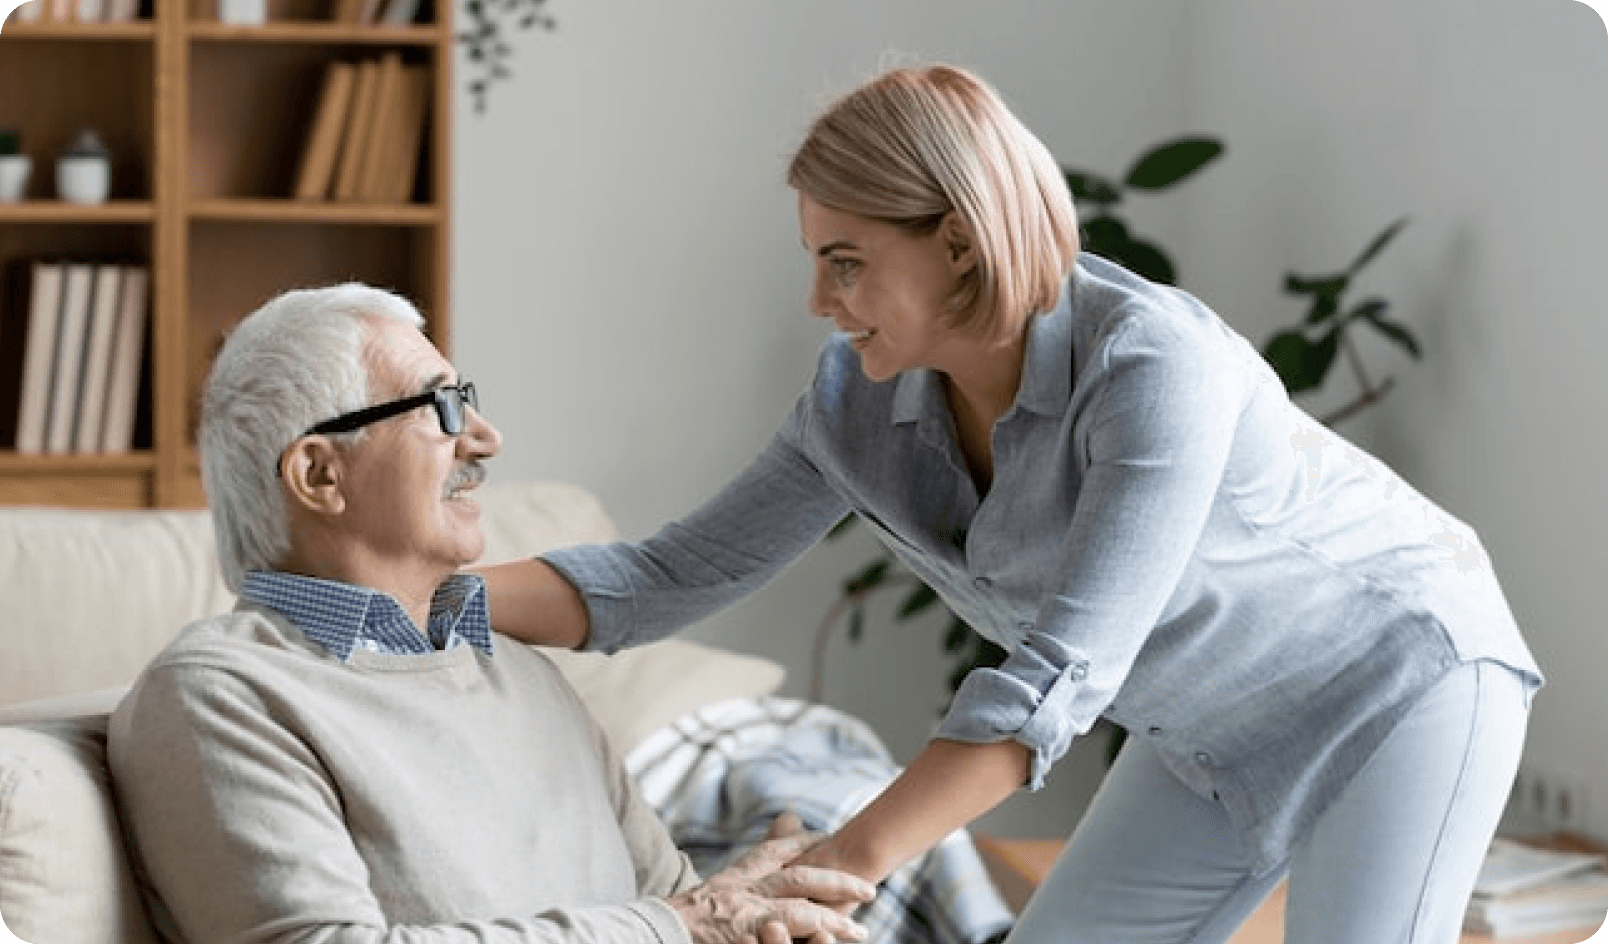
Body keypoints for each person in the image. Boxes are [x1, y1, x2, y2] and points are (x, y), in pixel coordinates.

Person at [478, 64, 1544, 944]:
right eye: (816, 262)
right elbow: (666, 574)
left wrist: (841, 862)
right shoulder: (853, 405)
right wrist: (414, 594)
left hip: (1401, 681)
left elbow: (1053, 679)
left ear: (957, 239)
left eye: (845, 262)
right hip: (1204, 731)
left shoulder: (1151, 365)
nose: (819, 300)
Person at [107, 283, 876, 944]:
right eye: (441, 406)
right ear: (319, 473)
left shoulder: (524, 675)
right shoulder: (221, 694)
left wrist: (761, 910)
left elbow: (672, 910)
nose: (485, 438)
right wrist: (690, 920)